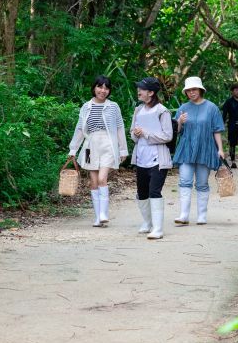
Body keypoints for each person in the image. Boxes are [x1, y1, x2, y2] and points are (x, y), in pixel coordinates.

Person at [68, 76, 129, 227]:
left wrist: (123, 149)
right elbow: (80, 129)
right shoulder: (86, 107)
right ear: (94, 88)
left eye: (106, 88)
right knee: (93, 182)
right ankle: (97, 217)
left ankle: (104, 214)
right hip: (90, 146)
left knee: (102, 179)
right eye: (100, 87)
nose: (103, 91)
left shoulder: (113, 106)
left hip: (108, 144)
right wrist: (73, 149)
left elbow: (120, 127)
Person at [172, 76, 225, 226]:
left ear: (200, 90)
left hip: (205, 148)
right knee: (184, 181)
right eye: (188, 90)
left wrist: (220, 149)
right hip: (186, 148)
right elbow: (177, 131)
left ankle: (202, 215)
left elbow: (217, 130)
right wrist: (180, 122)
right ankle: (184, 215)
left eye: (194, 89)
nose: (191, 92)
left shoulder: (211, 108)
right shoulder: (183, 108)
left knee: (202, 183)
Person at [129, 77, 173, 240]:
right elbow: (133, 134)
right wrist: (136, 134)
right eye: (139, 88)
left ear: (151, 92)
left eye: (142, 89)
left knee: (154, 191)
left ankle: (158, 229)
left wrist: (146, 134)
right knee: (142, 193)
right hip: (141, 158)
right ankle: (147, 223)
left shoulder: (162, 111)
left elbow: (168, 136)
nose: (138, 91)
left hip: (158, 159)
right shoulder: (138, 110)